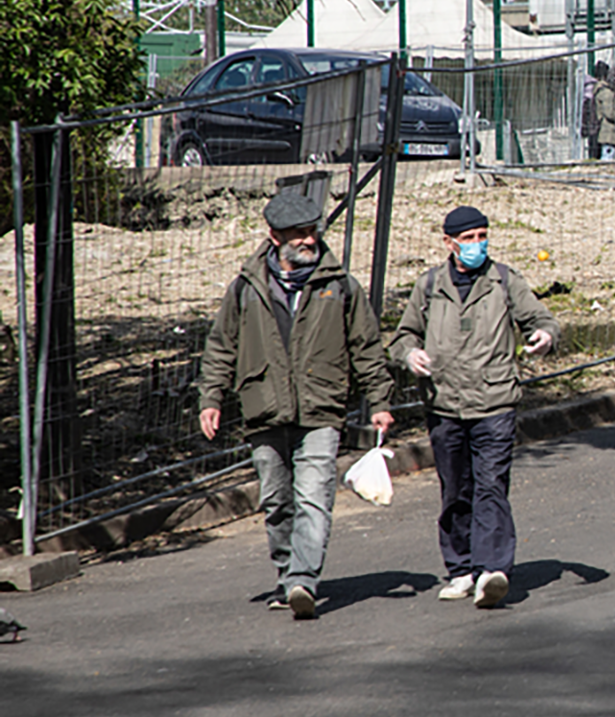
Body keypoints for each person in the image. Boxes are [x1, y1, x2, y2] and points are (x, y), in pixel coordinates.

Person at [197, 189, 395, 620]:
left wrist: (379, 399)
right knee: (277, 501)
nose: (309, 239)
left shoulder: (340, 286)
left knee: (314, 498)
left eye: (312, 231)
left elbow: (366, 347)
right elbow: (221, 348)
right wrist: (210, 398)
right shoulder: (246, 289)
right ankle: (288, 576)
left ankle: (303, 580)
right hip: (264, 410)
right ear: (274, 237)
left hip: (321, 408)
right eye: (298, 233)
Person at [391, 206, 558, 609]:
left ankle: (493, 570)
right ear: (448, 243)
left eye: (482, 236)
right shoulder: (429, 285)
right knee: (455, 490)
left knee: (491, 486)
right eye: (467, 239)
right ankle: (460, 568)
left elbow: (541, 318)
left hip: (495, 400)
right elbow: (403, 336)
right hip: (445, 403)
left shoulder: (503, 280)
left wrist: (545, 334)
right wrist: (409, 354)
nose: (476, 245)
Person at [592, 63, 615, 160]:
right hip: (609, 132)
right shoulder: (607, 93)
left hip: (612, 131)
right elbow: (609, 112)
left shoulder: (610, 92)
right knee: (608, 156)